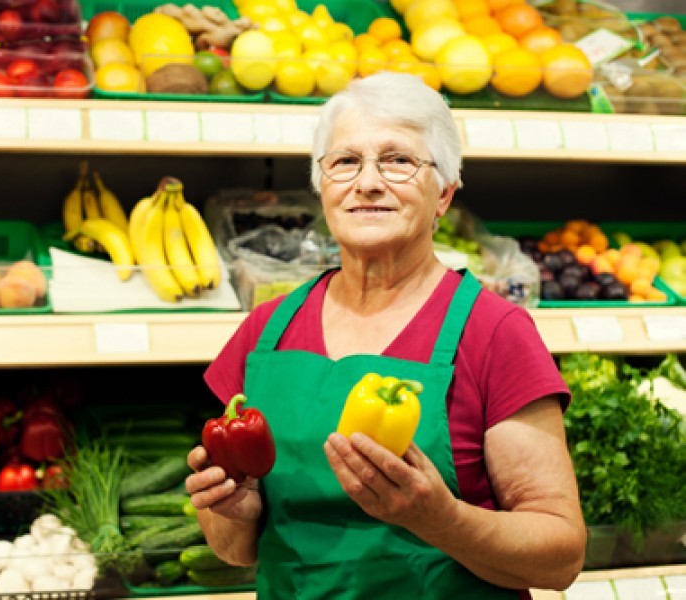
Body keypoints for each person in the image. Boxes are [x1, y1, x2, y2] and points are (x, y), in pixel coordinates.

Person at [184, 71, 587, 599]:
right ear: (322, 187)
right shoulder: (266, 330)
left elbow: (560, 557)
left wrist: (443, 520)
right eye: (345, 161)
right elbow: (237, 551)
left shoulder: (493, 333)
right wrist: (232, 511)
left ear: (443, 194)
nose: (368, 181)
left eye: (398, 160)